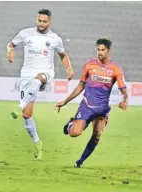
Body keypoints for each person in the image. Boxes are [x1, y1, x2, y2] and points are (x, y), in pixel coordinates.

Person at [6, 9, 74, 160]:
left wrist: (68, 68)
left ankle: (20, 105)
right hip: (26, 75)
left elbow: (63, 55)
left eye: (44, 22)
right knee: (26, 115)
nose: (41, 24)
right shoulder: (25, 33)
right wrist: (10, 51)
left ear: (50, 22)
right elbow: (11, 44)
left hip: (45, 72)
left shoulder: (55, 38)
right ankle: (37, 142)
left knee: (39, 78)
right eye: (39, 21)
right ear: (36, 20)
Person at [55, 38, 128, 168]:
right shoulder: (89, 65)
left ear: (108, 51)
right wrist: (65, 101)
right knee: (74, 133)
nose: (100, 52)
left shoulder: (115, 69)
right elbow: (80, 86)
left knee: (97, 133)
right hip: (87, 106)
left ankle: (80, 161)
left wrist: (124, 100)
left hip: (102, 109)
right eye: (98, 49)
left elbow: (124, 90)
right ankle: (71, 123)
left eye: (103, 50)